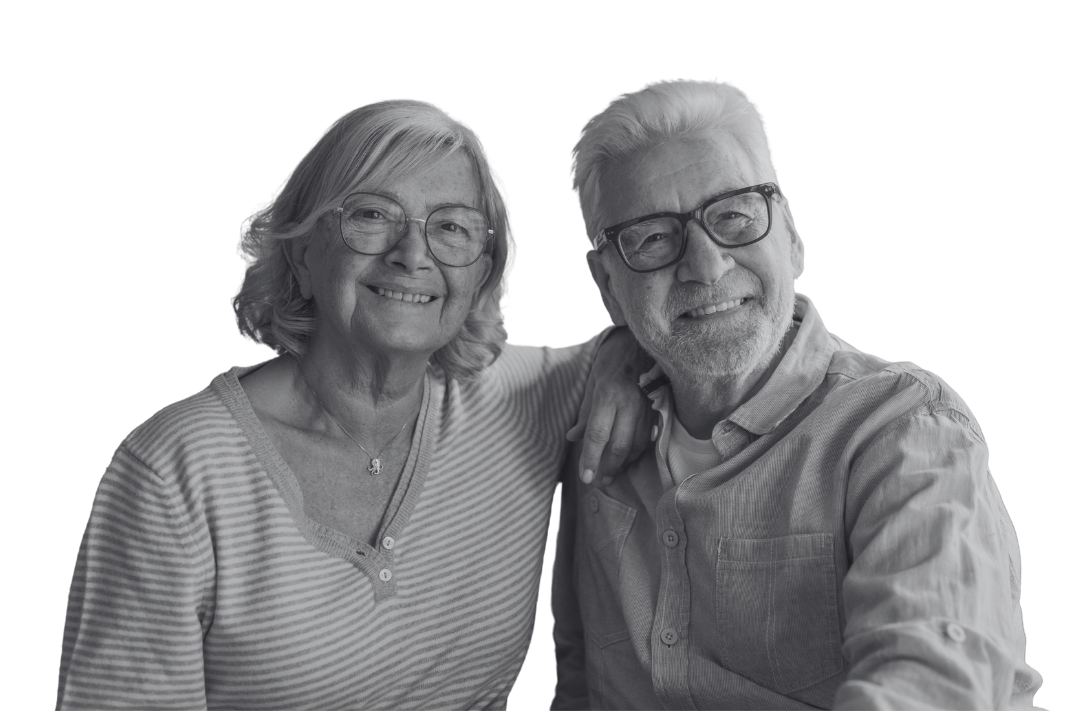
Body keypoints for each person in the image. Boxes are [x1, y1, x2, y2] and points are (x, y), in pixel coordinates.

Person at [57, 98, 650, 710]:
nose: (412, 255)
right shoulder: (175, 471)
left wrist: (622, 355)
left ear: (482, 269)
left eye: (450, 226)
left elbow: (659, 332)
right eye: (372, 215)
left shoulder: (519, 399)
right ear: (301, 251)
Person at [551, 78, 1044, 710]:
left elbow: (931, 684)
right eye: (651, 237)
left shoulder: (901, 428)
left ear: (790, 234)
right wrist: (615, 352)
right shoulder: (589, 440)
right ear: (607, 284)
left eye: (732, 216)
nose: (705, 266)